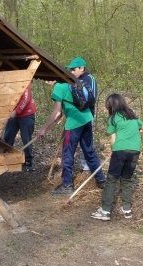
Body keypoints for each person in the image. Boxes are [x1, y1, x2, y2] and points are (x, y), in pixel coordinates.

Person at [38, 57, 106, 195]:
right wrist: (63, 114)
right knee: (89, 151)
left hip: (74, 123)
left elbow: (56, 112)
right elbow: (71, 102)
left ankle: (67, 185)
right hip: (86, 118)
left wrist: (44, 128)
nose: (46, 82)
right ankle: (102, 181)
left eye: (47, 79)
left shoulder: (58, 87)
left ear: (53, 78)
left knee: (67, 153)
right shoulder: (69, 82)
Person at [91, 94, 143, 221]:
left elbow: (113, 139)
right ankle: (127, 210)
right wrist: (133, 133)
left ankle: (105, 211)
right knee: (127, 179)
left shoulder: (113, 118)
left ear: (111, 106)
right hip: (135, 151)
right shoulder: (132, 116)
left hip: (120, 150)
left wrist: (114, 150)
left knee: (111, 179)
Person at [3, 83, 37, 171]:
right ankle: (6, 159)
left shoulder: (25, 81)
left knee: (26, 138)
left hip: (27, 114)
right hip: (12, 114)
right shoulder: (8, 83)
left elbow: (26, 99)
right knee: (8, 136)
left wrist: (15, 112)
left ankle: (28, 161)